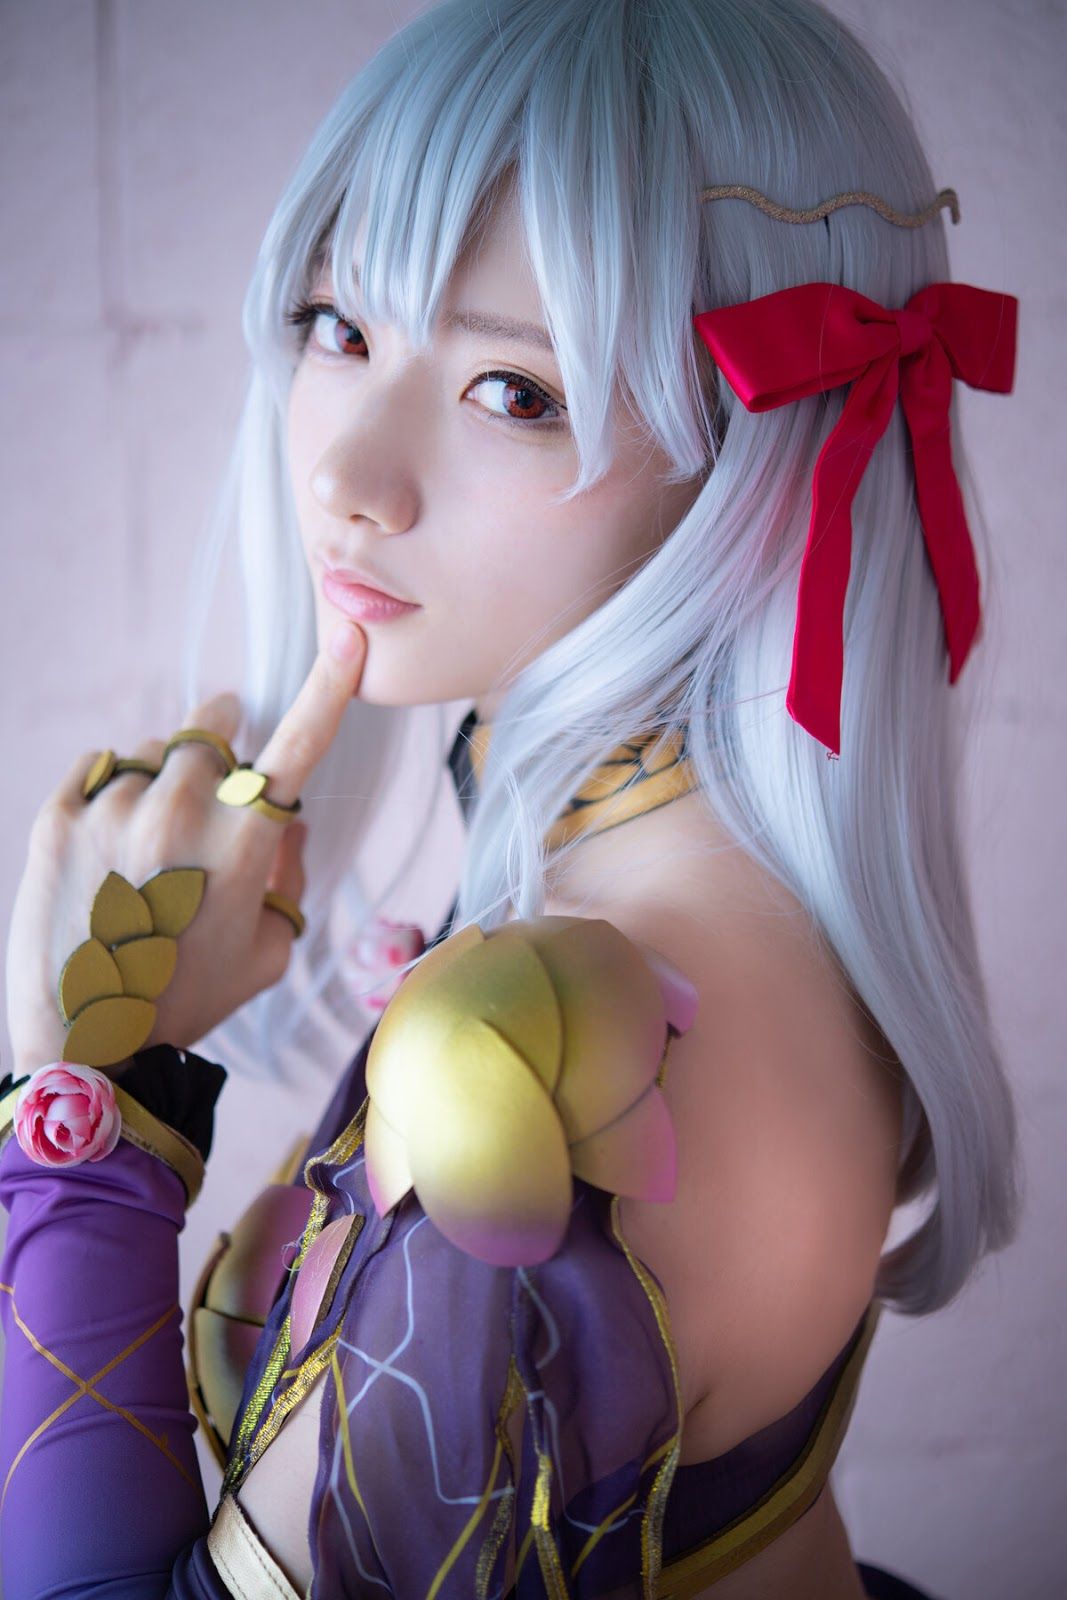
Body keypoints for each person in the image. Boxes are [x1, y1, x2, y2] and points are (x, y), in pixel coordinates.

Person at [0, 0, 1021, 1595]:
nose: (348, 474)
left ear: (755, 449)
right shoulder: (737, 874)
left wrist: (83, 1098)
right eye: (339, 325)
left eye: (515, 393)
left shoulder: (550, 1062)